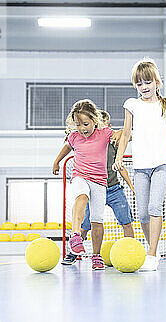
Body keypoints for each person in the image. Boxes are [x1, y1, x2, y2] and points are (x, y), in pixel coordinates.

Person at [113, 57, 166, 271]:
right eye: (139, 83)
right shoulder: (132, 105)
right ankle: (154, 249)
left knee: (155, 207)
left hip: (161, 163)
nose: (143, 87)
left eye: (147, 82)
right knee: (141, 213)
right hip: (140, 165)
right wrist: (119, 156)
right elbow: (126, 133)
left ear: (157, 82)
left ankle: (151, 254)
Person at [61, 110, 135, 265]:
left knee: (126, 220)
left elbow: (127, 142)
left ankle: (130, 250)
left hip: (114, 189)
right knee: (86, 224)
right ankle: (73, 252)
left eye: (105, 123)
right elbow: (70, 141)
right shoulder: (85, 140)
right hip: (93, 188)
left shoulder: (113, 142)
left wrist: (132, 186)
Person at [52, 99, 113, 271]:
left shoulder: (105, 133)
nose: (82, 128)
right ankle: (76, 234)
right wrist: (57, 161)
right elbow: (67, 148)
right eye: (78, 125)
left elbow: (121, 136)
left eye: (85, 124)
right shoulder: (74, 137)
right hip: (80, 176)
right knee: (81, 196)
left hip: (100, 181)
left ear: (95, 120)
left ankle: (96, 256)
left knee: (97, 220)